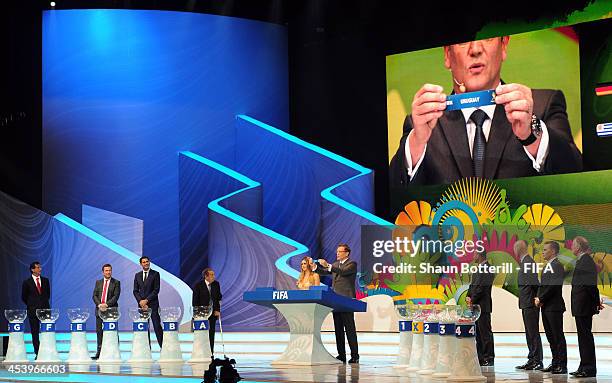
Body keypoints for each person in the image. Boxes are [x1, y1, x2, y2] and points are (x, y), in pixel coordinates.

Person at [389, 36, 582, 187]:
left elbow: (579, 178)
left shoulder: (543, 105)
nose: (475, 50)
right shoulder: (423, 123)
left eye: (487, 38)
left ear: (504, 45)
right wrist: (416, 143)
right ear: (447, 55)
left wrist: (532, 135)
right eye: (464, 41)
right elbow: (389, 198)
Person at [313, 244, 359, 363]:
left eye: (340, 251)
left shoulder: (352, 264)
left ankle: (355, 355)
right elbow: (324, 272)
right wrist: (314, 268)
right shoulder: (335, 265)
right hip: (336, 300)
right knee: (338, 329)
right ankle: (341, 355)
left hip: (347, 300)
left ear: (347, 253)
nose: (337, 253)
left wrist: (327, 265)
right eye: (337, 251)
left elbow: (342, 272)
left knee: (349, 329)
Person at [570, 236, 604, 378]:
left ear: (578, 247)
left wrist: (596, 302)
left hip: (584, 306)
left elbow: (590, 285)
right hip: (580, 306)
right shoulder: (582, 261)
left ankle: (588, 368)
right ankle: (583, 366)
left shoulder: (586, 261)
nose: (571, 247)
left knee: (585, 338)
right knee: (583, 338)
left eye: (573, 245)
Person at [535, 241, 567, 374]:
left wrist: (541, 298)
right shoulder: (548, 265)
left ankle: (562, 365)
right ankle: (555, 362)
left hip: (554, 307)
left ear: (553, 251)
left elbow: (553, 286)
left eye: (545, 250)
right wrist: (538, 298)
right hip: (546, 306)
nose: (542, 252)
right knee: (550, 336)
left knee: (557, 336)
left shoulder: (557, 265)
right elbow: (543, 285)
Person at [513, 240, 543, 370]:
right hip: (526, 302)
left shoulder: (528, 262)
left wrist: (537, 299)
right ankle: (532, 359)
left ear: (518, 249)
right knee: (529, 332)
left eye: (515, 249)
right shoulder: (525, 262)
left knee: (533, 332)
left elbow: (534, 284)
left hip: (530, 303)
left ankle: (537, 360)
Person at [466, 250, 495, 366]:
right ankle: (481, 357)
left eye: (474, 254)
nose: (473, 256)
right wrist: (468, 296)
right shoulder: (477, 269)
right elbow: (472, 286)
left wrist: (472, 299)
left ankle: (489, 357)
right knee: (478, 333)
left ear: (479, 255)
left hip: (483, 306)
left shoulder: (488, 268)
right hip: (475, 306)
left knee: (485, 333)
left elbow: (482, 288)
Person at [21, 261, 50, 357]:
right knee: (35, 332)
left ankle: (47, 351)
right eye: (37, 267)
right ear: (32, 269)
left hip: (45, 310)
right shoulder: (27, 282)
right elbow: (24, 297)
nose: (40, 269)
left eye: (40, 267)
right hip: (33, 311)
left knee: (46, 331)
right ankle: (38, 352)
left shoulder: (45, 280)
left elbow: (47, 295)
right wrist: (32, 305)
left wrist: (42, 305)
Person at [133, 256, 163, 348]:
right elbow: (135, 290)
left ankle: (163, 347)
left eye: (147, 261)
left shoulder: (155, 274)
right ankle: (146, 348)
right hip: (142, 306)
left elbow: (156, 290)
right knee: (145, 327)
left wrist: (146, 300)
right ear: (141, 264)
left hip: (153, 305)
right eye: (144, 262)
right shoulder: (137, 275)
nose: (146, 263)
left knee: (157, 326)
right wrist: (140, 301)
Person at [92, 264, 121, 359]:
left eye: (110, 270)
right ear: (103, 272)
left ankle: (114, 352)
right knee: (99, 331)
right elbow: (94, 296)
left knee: (112, 331)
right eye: (106, 270)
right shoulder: (98, 282)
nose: (108, 272)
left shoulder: (116, 282)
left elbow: (116, 297)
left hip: (111, 310)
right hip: (99, 310)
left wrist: (106, 305)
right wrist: (99, 305)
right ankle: (99, 352)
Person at [192, 268, 222, 354]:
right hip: (201, 314)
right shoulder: (198, 285)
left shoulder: (216, 284)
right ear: (206, 276)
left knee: (211, 332)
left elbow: (218, 298)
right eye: (211, 275)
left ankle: (210, 352)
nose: (213, 276)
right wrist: (197, 313)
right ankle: (201, 351)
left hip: (213, 313)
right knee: (202, 333)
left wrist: (217, 310)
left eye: (213, 274)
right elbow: (195, 301)